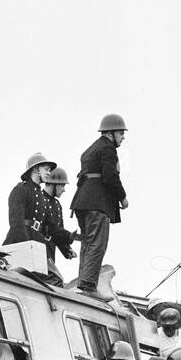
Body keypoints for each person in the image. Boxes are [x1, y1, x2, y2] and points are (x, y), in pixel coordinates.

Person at [72, 113, 128, 295]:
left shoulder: (90, 149)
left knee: (88, 243)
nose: (123, 137)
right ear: (111, 133)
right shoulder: (108, 149)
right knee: (98, 243)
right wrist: (123, 197)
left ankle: (83, 282)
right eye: (121, 133)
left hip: (82, 202)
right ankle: (88, 286)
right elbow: (111, 176)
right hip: (97, 203)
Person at [4, 153, 75, 270]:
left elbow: (50, 227)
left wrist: (69, 237)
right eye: (46, 169)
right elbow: (16, 223)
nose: (49, 173)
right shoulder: (21, 189)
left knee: (52, 277)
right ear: (36, 169)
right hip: (20, 242)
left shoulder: (41, 196)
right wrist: (26, 247)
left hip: (37, 243)